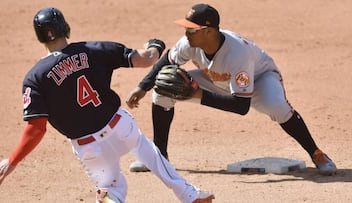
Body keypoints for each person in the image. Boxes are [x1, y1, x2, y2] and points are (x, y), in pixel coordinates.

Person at [0, 7, 215, 203]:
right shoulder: (94, 49)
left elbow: (36, 128)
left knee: (112, 188)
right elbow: (146, 58)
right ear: (64, 28)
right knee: (151, 154)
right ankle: (189, 195)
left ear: (40, 36)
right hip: (120, 127)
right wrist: (156, 45)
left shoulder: (34, 78)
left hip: (88, 148)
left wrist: (12, 160)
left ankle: (109, 196)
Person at [126, 3, 337, 176]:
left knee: (277, 106)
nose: (186, 33)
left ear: (208, 31)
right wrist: (142, 87)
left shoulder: (238, 55)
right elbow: (166, 61)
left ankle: (317, 153)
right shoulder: (188, 43)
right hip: (218, 80)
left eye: (191, 29)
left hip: (260, 80)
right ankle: (159, 156)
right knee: (164, 89)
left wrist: (197, 94)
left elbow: (241, 106)